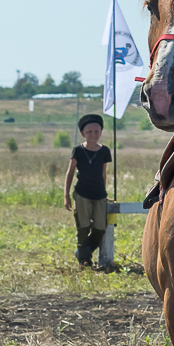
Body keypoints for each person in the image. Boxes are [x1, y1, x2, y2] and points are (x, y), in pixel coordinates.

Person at [63, 114, 112, 269]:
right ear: (83, 133)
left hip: (99, 195)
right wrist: (66, 195)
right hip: (82, 194)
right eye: (89, 131)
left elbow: (104, 173)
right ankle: (85, 261)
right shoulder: (77, 151)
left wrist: (105, 192)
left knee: (100, 228)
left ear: (101, 132)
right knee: (83, 227)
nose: (93, 134)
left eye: (96, 131)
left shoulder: (104, 151)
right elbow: (70, 173)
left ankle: (83, 252)